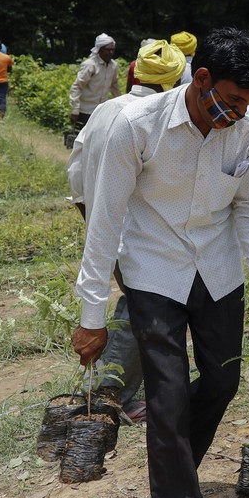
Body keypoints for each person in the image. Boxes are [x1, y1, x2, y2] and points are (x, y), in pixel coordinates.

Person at [71, 28, 249, 498]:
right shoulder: (137, 124)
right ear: (203, 78)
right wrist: (91, 315)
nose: (238, 113)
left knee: (222, 382)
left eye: (248, 103)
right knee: (166, 396)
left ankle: (174, 464)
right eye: (232, 100)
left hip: (217, 267)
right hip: (153, 267)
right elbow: (105, 221)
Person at [67, 39, 187, 422]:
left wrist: (92, 218)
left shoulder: (105, 109)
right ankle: (113, 393)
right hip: (136, 232)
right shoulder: (153, 120)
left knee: (135, 306)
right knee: (138, 308)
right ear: (176, 81)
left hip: (101, 223)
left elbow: (75, 171)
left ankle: (120, 388)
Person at [69, 33, 120, 127]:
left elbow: (114, 87)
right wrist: (75, 109)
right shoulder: (90, 65)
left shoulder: (113, 66)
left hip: (101, 110)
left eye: (113, 50)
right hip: (85, 111)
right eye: (108, 49)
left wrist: (120, 105)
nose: (111, 52)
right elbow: (77, 86)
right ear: (100, 49)